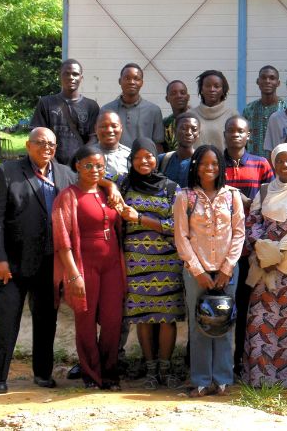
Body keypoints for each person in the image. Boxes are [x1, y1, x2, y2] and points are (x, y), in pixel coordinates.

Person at [0, 128, 75, 393]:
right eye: (40, 143)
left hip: (49, 263)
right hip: (11, 263)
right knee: (6, 320)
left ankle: (43, 373)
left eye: (51, 144)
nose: (46, 147)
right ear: (28, 145)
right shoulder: (7, 171)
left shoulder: (65, 174)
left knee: (47, 320)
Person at [241, 143, 287, 389]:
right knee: (260, 319)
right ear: (273, 164)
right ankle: (260, 378)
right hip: (262, 265)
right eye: (280, 160)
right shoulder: (264, 191)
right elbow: (252, 222)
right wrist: (262, 250)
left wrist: (275, 252)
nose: (285, 165)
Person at [173, 145, 245, 397]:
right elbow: (181, 237)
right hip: (197, 272)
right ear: (195, 166)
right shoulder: (185, 197)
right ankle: (201, 380)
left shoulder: (232, 196)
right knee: (199, 324)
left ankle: (223, 379)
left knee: (225, 322)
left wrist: (228, 268)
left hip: (226, 270)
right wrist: (197, 270)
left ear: (221, 167)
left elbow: (238, 233)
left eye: (215, 163)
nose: (210, 168)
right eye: (204, 163)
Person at [52, 145, 127, 389]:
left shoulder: (109, 192)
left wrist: (110, 185)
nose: (94, 170)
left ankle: (110, 372)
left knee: (113, 320)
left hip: (112, 265)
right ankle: (91, 375)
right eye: (88, 165)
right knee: (84, 320)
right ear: (77, 166)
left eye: (100, 166)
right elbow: (62, 240)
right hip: (84, 265)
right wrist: (73, 274)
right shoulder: (68, 195)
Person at [116, 138, 184, 389]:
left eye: (149, 156)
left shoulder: (170, 187)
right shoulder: (122, 185)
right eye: (138, 157)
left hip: (167, 261)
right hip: (135, 262)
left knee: (167, 318)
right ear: (131, 160)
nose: (144, 161)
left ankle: (165, 367)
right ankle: (151, 369)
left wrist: (142, 219)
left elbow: (178, 226)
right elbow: (98, 180)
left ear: (157, 158)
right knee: (143, 317)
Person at [221, 115, 274, 378]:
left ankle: (240, 362)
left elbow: (270, 200)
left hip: (249, 249)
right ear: (224, 134)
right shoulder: (214, 163)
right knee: (218, 305)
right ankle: (216, 363)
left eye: (240, 131)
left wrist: (244, 201)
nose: (235, 135)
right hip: (217, 249)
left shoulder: (261, 164)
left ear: (248, 135)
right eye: (230, 130)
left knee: (244, 307)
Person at [31, 58, 99, 166]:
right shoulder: (45, 103)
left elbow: (94, 138)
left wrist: (81, 158)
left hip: (80, 167)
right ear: (60, 77)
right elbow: (37, 136)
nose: (71, 77)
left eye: (75, 74)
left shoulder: (91, 106)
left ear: (81, 78)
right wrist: (52, 161)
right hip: (50, 165)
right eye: (66, 74)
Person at [101, 63, 165, 151]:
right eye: (127, 78)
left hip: (143, 162)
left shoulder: (154, 111)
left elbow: (158, 145)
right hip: (115, 163)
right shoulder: (106, 111)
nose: (131, 82)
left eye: (136, 79)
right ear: (120, 81)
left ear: (142, 83)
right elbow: (101, 141)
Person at [187, 69, 239, 152]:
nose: (212, 89)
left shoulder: (232, 115)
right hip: (196, 164)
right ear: (201, 90)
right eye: (207, 86)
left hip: (224, 164)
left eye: (216, 86)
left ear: (223, 90)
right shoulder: (190, 115)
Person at [241, 65, 287, 159]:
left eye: (272, 78)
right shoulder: (249, 110)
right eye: (263, 78)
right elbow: (243, 140)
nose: (267, 81)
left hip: (279, 165)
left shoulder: (286, 109)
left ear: (278, 83)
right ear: (258, 81)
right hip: (254, 167)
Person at [158, 114, 199, 188]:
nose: (188, 132)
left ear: (198, 134)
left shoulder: (201, 161)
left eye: (194, 129)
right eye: (183, 128)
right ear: (174, 131)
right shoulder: (163, 160)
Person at [92, 110, 131, 179]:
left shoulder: (130, 156)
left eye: (114, 126)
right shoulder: (86, 155)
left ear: (121, 128)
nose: (109, 130)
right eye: (103, 126)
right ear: (95, 129)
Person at [163, 80, 191, 152]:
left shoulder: (196, 119)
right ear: (167, 99)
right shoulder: (166, 123)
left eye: (183, 93)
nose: (179, 96)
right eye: (173, 93)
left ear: (188, 97)